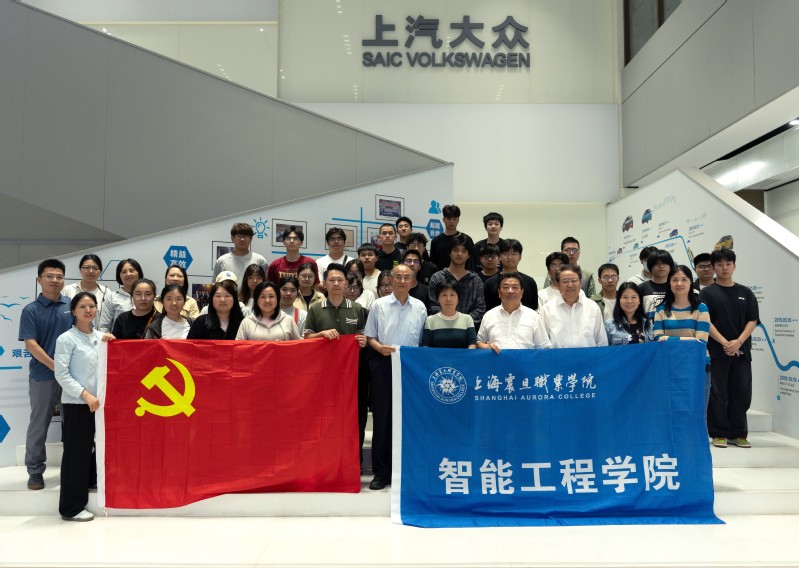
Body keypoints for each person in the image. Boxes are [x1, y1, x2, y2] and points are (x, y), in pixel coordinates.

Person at [364, 264, 427, 490]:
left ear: (412, 280)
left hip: (410, 366)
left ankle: (405, 471)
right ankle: (381, 473)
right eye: (398, 277)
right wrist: (378, 347)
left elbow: (423, 340)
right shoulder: (379, 305)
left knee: (408, 419)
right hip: (383, 363)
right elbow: (369, 336)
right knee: (382, 419)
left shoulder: (420, 307)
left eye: (406, 277)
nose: (401, 281)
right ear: (391, 280)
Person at [53, 292, 115, 522]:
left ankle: (89, 480)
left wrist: (112, 343)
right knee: (76, 453)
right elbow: (61, 374)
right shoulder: (66, 339)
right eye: (82, 306)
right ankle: (71, 507)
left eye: (91, 306)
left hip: (101, 404)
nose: (88, 310)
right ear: (73, 311)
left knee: (100, 446)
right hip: (78, 403)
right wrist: (85, 394)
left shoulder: (101, 337)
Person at [18, 259, 73, 490]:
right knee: (39, 425)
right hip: (43, 376)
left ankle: (73, 470)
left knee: (74, 425)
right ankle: (35, 471)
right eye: (49, 276)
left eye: (59, 276)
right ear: (39, 280)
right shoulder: (30, 310)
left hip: (73, 377)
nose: (55, 280)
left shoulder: (71, 305)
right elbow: (31, 344)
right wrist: (56, 366)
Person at [304, 264, 369, 459]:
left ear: (347, 283)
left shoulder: (357, 309)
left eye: (340, 280)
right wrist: (321, 334)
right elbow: (306, 338)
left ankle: (354, 460)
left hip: (352, 375)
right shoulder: (315, 309)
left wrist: (363, 341)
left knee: (354, 417)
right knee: (325, 418)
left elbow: (364, 337)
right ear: (324, 284)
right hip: (324, 376)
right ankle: (325, 459)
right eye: (331, 280)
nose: (336, 284)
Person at [699, 248, 759, 449]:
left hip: (741, 352)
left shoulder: (745, 293)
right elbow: (705, 321)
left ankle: (739, 434)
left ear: (734, 266)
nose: (724, 268)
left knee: (741, 392)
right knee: (717, 393)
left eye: (728, 264)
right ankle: (719, 433)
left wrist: (738, 342)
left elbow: (752, 320)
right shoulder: (707, 293)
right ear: (714, 267)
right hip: (717, 352)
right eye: (720, 264)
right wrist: (725, 343)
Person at [653, 265, 711, 406]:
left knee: (698, 410)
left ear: (691, 282)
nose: (679, 283)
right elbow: (658, 339)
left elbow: (701, 342)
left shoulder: (701, 308)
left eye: (684, 279)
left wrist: (670, 339)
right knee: (671, 410)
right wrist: (689, 339)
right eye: (675, 280)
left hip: (697, 365)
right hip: (670, 366)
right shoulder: (661, 309)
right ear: (669, 283)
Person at [477, 273, 552, 352]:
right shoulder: (489, 315)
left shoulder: (533, 316)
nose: (510, 291)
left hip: (524, 359)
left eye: (514, 287)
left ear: (522, 292)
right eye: (505, 287)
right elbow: (479, 341)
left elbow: (544, 347)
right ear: (499, 292)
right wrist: (487, 346)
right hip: (496, 359)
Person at [540, 264, 608, 348]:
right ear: (558, 285)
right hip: (557, 356)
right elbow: (543, 343)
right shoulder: (547, 309)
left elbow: (601, 341)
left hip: (588, 356)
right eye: (565, 281)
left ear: (580, 283)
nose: (570, 285)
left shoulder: (592, 307)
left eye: (574, 281)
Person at [428, 234, 486, 329]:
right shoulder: (437, 278)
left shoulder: (475, 280)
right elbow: (434, 306)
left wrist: (462, 323)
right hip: (441, 328)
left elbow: (480, 308)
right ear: (449, 253)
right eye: (455, 250)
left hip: (468, 330)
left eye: (464, 251)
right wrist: (448, 321)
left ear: (469, 255)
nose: (459, 254)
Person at [483, 239, 539, 312]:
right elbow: (486, 309)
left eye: (514, 253)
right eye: (505, 253)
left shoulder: (530, 282)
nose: (510, 257)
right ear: (499, 257)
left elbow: (534, 308)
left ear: (520, 257)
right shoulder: (490, 283)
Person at [236, 281, 302, 341]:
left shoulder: (288, 320)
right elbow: (239, 347)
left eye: (271, 296)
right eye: (263, 297)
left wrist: (283, 346)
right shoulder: (247, 322)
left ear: (277, 299)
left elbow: (298, 346)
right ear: (256, 300)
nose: (267, 300)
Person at [422, 283, 477, 348]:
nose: (448, 299)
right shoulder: (430, 320)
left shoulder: (467, 319)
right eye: (444, 295)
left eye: (452, 295)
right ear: (438, 299)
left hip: (463, 355)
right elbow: (426, 346)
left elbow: (472, 344)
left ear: (458, 298)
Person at [62, 254, 109, 329]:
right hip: (72, 334)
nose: (91, 271)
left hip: (98, 335)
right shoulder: (68, 290)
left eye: (95, 268)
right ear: (80, 270)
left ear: (100, 271)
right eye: (86, 267)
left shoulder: (106, 292)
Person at [98, 258, 143, 332]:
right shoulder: (112, 297)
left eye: (132, 271)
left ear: (139, 273)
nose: (128, 274)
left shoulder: (147, 295)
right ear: (119, 276)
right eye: (124, 272)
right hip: (118, 338)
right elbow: (104, 326)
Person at [429, 204, 476, 271]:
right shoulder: (436, 241)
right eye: (449, 218)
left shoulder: (466, 239)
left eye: (454, 219)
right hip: (441, 276)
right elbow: (433, 264)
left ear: (458, 220)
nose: (451, 221)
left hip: (464, 275)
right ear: (443, 219)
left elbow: (471, 262)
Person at [639, 249, 675, 318]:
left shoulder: (676, 286)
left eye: (664, 263)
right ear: (650, 266)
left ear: (670, 266)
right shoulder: (641, 288)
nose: (661, 266)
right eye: (657, 263)